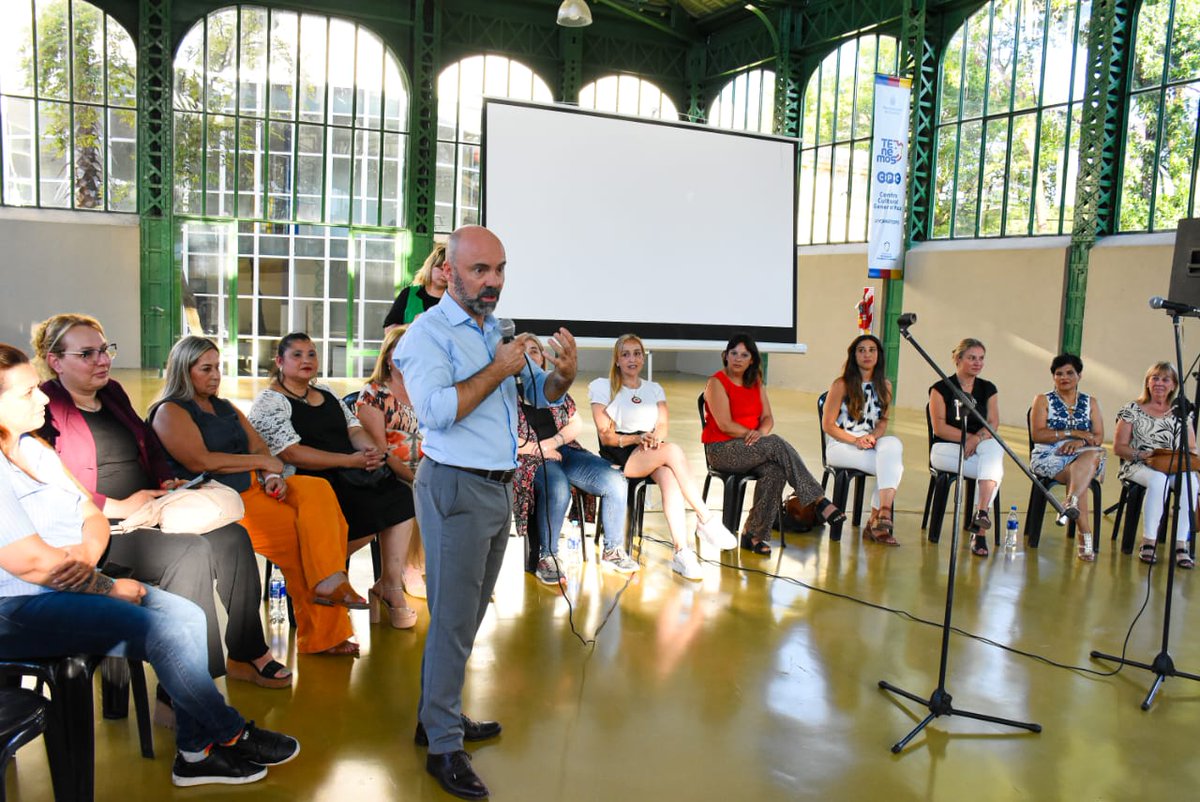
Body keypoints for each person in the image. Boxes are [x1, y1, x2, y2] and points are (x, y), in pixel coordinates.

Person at [0, 343, 300, 787]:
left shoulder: (35, 451)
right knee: (164, 627)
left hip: (71, 579)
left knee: (188, 613)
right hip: (21, 606)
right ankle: (229, 733)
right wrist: (105, 585)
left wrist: (85, 559)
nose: (42, 397)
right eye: (27, 393)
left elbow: (90, 512)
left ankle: (195, 752)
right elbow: (29, 563)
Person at [394, 225, 578, 800]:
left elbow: (536, 394)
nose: (493, 281)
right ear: (449, 272)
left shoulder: (492, 329)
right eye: (480, 271)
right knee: (452, 619)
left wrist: (562, 377)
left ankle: (436, 716)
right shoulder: (426, 336)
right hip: (455, 487)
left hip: (499, 488)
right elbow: (438, 410)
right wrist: (499, 367)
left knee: (468, 616)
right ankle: (444, 746)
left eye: (500, 269)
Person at [30, 314, 290, 695]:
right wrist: (118, 505)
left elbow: (147, 445)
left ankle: (247, 652)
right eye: (87, 354)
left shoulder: (113, 393)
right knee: (190, 551)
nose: (102, 360)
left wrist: (165, 479)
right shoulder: (45, 407)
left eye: (104, 350)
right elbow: (52, 484)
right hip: (103, 527)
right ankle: (186, 688)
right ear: (56, 361)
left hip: (150, 512)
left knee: (233, 538)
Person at [149, 336, 365, 654]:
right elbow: (201, 461)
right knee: (300, 539)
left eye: (217, 367)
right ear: (184, 371)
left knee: (318, 489)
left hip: (257, 485)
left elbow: (258, 446)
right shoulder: (171, 411)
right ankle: (324, 636)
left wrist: (272, 474)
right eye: (205, 369)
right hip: (225, 497)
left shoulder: (224, 406)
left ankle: (327, 581)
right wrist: (262, 463)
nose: (215, 375)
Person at [248, 332, 420, 622]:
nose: (306, 361)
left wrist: (370, 450)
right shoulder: (270, 402)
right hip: (305, 481)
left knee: (400, 497)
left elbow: (353, 429)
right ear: (280, 361)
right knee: (356, 503)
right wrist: (350, 460)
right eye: (297, 355)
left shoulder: (325, 392)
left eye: (311, 354)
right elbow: (292, 454)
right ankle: (318, 571)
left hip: (346, 473)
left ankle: (388, 585)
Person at [589, 333, 737, 581]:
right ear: (616, 359)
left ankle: (682, 551)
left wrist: (653, 438)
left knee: (669, 477)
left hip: (649, 448)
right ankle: (705, 518)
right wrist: (638, 439)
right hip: (621, 451)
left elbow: (663, 425)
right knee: (673, 451)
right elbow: (606, 436)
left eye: (637, 354)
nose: (632, 359)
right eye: (625, 354)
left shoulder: (653, 389)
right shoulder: (602, 386)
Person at [512, 333, 638, 585]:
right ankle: (547, 557)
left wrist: (553, 442)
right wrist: (537, 449)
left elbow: (575, 421)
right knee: (557, 485)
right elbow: (500, 437)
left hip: (563, 449)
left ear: (543, 358)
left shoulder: (552, 386)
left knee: (615, 480)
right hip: (527, 457)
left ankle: (613, 550)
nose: (530, 355)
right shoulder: (505, 391)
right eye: (523, 351)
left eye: (535, 350)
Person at [705, 333, 841, 556]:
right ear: (725, 356)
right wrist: (756, 435)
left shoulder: (755, 382)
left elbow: (768, 418)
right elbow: (725, 424)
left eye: (744, 355)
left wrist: (759, 434)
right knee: (775, 443)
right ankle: (817, 499)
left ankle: (753, 534)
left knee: (776, 471)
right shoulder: (716, 382)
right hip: (723, 450)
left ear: (752, 360)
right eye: (734, 353)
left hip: (751, 448)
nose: (738, 358)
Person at [354, 325, 429, 622]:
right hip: (392, 467)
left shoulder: (424, 388)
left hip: (427, 461)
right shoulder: (373, 394)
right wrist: (413, 475)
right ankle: (406, 571)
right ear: (388, 357)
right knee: (417, 489)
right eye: (400, 350)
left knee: (456, 485)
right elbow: (380, 449)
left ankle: (439, 567)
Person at [820, 334, 903, 545]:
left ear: (879, 355)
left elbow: (882, 421)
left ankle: (880, 516)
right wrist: (855, 441)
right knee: (893, 468)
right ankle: (878, 519)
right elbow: (828, 425)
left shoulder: (885, 385)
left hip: (869, 440)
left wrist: (872, 437)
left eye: (872, 350)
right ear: (853, 355)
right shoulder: (841, 384)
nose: (867, 354)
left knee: (894, 445)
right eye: (861, 350)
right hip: (841, 443)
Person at [1113, 361, 1197, 568]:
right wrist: (1144, 455)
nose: (1159, 383)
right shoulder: (1132, 409)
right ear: (1148, 383)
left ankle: (1180, 544)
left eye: (1165, 379)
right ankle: (1149, 541)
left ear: (1174, 384)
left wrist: (1175, 456)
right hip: (1139, 464)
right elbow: (1119, 447)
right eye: (1155, 378)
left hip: (1171, 465)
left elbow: (1193, 447)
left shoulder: (1181, 412)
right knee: (1159, 480)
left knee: (1191, 483)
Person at [929, 338, 1004, 558]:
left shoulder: (988, 388)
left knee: (993, 454)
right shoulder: (941, 388)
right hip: (946, 449)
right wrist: (968, 438)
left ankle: (980, 521)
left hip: (978, 448)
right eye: (972, 358)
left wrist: (975, 440)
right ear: (958, 359)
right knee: (994, 467)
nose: (977, 363)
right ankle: (980, 525)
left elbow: (993, 423)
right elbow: (940, 428)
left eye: (981, 358)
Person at [1029, 353, 1106, 562]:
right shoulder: (1042, 400)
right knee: (1079, 476)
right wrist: (1072, 434)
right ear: (1053, 377)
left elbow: (1098, 436)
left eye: (1070, 373)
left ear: (1079, 375)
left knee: (1090, 456)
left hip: (1085, 454)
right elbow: (1037, 435)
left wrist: (1080, 443)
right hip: (1050, 455)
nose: (1064, 377)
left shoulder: (1091, 402)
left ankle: (1070, 504)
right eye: (1058, 373)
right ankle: (1084, 533)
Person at [383, 243, 447, 331]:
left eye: (449, 270)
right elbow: (388, 331)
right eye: (441, 269)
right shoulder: (409, 294)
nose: (444, 274)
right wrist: (413, 324)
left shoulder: (457, 300)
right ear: (430, 267)